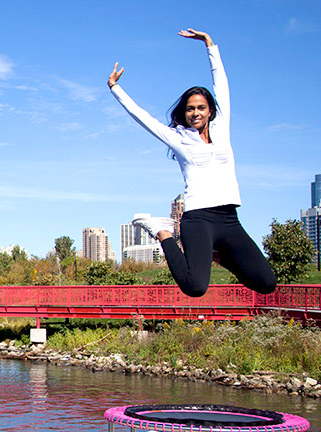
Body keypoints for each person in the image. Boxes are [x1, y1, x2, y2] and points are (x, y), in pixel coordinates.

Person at [108, 28, 276, 297]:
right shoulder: (178, 138)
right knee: (194, 287)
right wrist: (115, 88)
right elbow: (142, 117)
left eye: (200, 107)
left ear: (210, 110)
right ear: (184, 113)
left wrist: (210, 45)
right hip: (198, 219)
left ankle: (218, 256)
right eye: (189, 108)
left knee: (267, 283)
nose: (195, 112)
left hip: (229, 218)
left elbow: (222, 84)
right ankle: (162, 232)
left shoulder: (222, 128)